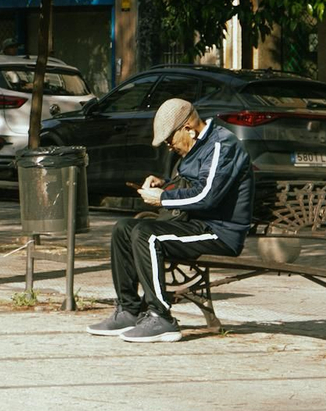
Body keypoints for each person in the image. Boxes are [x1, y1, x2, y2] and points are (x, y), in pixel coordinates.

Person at [88, 97, 255, 343]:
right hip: (195, 225)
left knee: (147, 234)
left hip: (220, 232)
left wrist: (163, 199)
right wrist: (164, 184)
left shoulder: (221, 145)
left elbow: (207, 196)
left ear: (187, 127)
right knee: (124, 228)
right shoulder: (199, 145)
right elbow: (194, 185)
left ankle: (161, 317)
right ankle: (129, 310)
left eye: (169, 140)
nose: (169, 147)